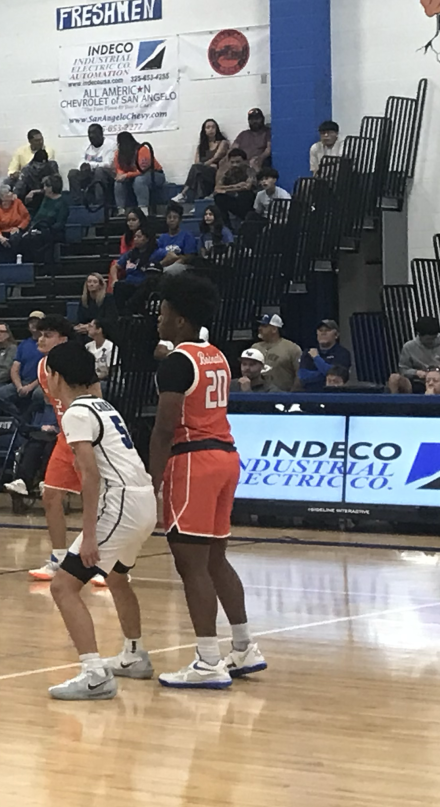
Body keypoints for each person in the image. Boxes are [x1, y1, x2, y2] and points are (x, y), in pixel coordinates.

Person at [149, 273, 265, 688]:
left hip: (193, 460)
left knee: (190, 564)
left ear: (179, 320)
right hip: (226, 456)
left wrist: (152, 477)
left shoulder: (178, 362)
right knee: (215, 559)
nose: (158, 321)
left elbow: (165, 427)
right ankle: (244, 645)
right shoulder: (215, 354)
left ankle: (207, 660)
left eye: (163, 314)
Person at [41, 343, 157, 700]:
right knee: (118, 578)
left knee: (62, 586)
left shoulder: (76, 412)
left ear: (56, 377)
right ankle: (134, 654)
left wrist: (89, 534)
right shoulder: (104, 406)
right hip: (144, 500)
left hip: (120, 502)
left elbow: (89, 476)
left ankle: (94, 674)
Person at [22, 315, 83, 581]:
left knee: (100, 503)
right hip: (64, 437)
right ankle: (59, 558)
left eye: (48, 334)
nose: (41, 338)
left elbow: (96, 400)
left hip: (87, 437)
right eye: (40, 334)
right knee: (50, 495)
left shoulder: (79, 364)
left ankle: (112, 564)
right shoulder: (41, 367)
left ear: (64, 340)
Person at [0, 312, 45, 420]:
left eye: (37, 322)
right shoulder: (23, 344)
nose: (34, 324)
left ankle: (32, 421)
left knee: (38, 395)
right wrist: (19, 386)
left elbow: (47, 370)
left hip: (40, 383)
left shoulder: (47, 343)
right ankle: (19, 419)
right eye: (31, 322)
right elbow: (15, 368)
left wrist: (30, 387)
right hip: (22, 382)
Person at [388, 316, 440, 393]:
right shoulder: (408, 347)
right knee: (394, 378)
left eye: (433, 339)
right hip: (418, 381)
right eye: (427, 339)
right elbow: (403, 369)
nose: (430, 342)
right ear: (419, 335)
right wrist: (416, 373)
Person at [14, 175, 69, 263]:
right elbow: (37, 217)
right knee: (21, 238)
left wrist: (44, 230)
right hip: (37, 229)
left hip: (52, 232)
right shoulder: (45, 198)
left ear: (51, 188)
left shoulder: (62, 203)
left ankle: (39, 266)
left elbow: (60, 223)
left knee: (33, 240)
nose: (44, 188)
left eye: (46, 186)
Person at [180, 119, 230, 207]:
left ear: (217, 129)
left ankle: (183, 193)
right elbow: (196, 162)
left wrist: (205, 165)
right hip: (204, 173)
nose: (211, 130)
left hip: (216, 173)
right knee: (198, 176)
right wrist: (206, 166)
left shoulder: (223, 142)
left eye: (213, 127)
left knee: (196, 169)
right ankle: (199, 204)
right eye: (208, 127)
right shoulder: (201, 147)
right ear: (204, 130)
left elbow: (216, 157)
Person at [113, 131, 166, 214]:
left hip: (155, 174)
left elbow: (142, 170)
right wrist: (121, 175)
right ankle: (121, 210)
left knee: (139, 181)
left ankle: (143, 209)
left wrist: (126, 175)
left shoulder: (142, 150)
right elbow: (119, 168)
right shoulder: (118, 153)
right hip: (133, 176)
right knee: (118, 183)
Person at [67, 122, 115, 210]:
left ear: (101, 134)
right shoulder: (86, 145)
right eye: (89, 133)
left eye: (94, 133)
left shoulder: (110, 144)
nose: (91, 136)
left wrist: (90, 166)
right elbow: (81, 160)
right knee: (72, 173)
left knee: (99, 171)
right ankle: (79, 204)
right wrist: (82, 166)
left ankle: (99, 204)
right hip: (89, 173)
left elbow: (108, 164)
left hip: (105, 175)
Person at [250, 314, 302, 392]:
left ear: (274, 329)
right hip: (257, 394)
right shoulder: (255, 347)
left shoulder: (292, 348)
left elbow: (300, 374)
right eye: (260, 325)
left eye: (264, 326)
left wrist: (292, 395)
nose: (260, 328)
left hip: (282, 394)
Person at [298, 319, 354, 391]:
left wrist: (316, 358)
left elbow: (336, 376)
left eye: (327, 330)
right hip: (310, 395)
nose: (323, 333)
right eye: (320, 330)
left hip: (333, 395)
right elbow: (303, 376)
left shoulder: (343, 353)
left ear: (336, 335)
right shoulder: (308, 352)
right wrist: (324, 373)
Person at [0, 186, 31, 264]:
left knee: (15, 238)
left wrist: (19, 228)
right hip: (2, 232)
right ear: (2, 198)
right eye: (8, 192)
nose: (11, 193)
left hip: (16, 230)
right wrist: (0, 236)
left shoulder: (17, 203)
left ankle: (15, 263)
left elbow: (26, 217)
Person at [211, 148, 256, 226]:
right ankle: (227, 226)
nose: (235, 165)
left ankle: (246, 221)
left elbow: (247, 187)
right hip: (234, 199)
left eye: (238, 162)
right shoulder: (228, 172)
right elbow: (217, 188)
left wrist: (226, 189)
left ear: (245, 161)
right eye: (232, 162)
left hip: (248, 202)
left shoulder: (250, 171)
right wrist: (235, 186)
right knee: (219, 197)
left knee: (245, 194)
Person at [152, 204, 200, 275]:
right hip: (164, 264)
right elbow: (156, 255)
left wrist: (175, 259)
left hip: (182, 265)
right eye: (169, 217)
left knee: (168, 271)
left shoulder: (187, 235)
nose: (172, 220)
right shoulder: (162, 238)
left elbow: (190, 256)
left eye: (175, 217)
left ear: (180, 220)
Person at [86, 317, 118, 385]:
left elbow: (112, 371)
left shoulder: (110, 347)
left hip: (109, 382)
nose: (88, 329)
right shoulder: (88, 346)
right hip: (92, 380)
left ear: (99, 330)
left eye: (91, 326)